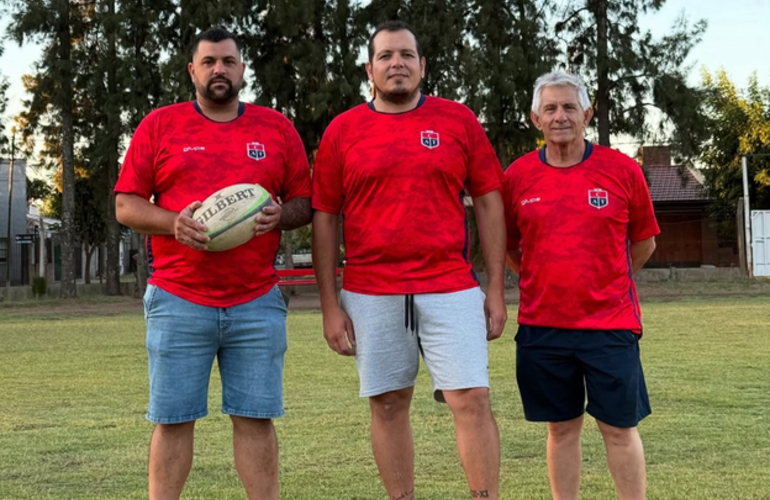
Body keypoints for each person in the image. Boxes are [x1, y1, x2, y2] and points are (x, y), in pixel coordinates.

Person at [311, 20, 507, 500]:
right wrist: (329, 304)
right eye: (385, 56)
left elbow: (487, 200)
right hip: (371, 290)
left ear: (422, 65)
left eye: (405, 55)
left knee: (473, 400)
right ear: (369, 69)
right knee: (389, 404)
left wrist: (497, 289)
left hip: (450, 286)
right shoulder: (343, 130)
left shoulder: (458, 121)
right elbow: (324, 217)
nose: (396, 63)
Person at [115, 27, 312, 500]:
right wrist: (172, 223)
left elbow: (306, 202)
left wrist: (278, 215)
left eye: (228, 61)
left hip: (256, 301)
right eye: (209, 62)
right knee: (173, 421)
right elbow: (126, 205)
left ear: (243, 70)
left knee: (255, 420)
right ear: (193, 71)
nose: (219, 70)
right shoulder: (160, 125)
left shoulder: (276, 128)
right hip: (179, 299)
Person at [503, 71, 659, 500]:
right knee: (561, 427)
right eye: (550, 108)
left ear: (587, 114)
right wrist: (542, 278)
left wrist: (606, 276)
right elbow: (509, 247)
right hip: (543, 327)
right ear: (536, 118)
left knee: (619, 428)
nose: (560, 116)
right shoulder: (516, 177)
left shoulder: (622, 171)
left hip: (610, 326)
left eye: (569, 106)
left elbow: (644, 243)